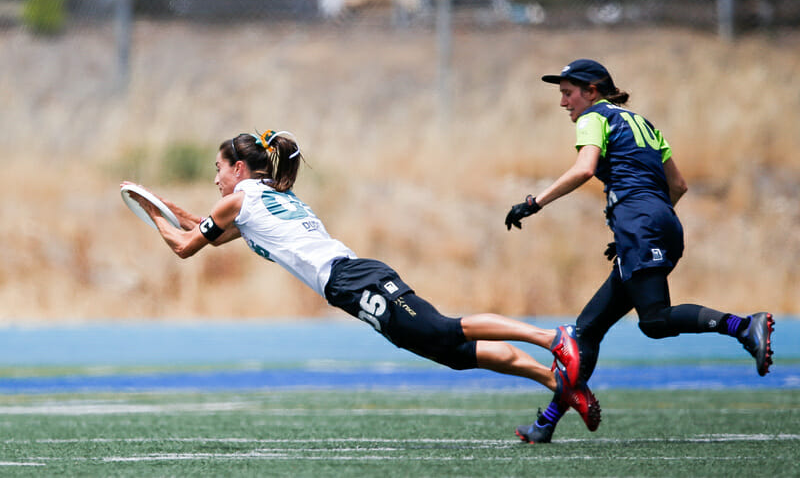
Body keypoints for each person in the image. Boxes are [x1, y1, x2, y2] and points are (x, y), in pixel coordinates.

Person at [122, 129, 600, 444]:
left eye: (220, 169)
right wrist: (161, 202)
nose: (216, 178)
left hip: (352, 279)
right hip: (353, 282)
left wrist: (145, 211)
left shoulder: (240, 200)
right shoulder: (264, 199)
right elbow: (206, 229)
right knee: (453, 351)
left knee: (445, 328)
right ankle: (559, 384)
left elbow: (186, 246)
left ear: (240, 170)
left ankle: (552, 339)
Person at [504, 58, 775, 442]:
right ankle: (545, 424)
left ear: (592, 91)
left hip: (640, 225)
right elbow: (678, 185)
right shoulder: (641, 122)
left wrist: (534, 203)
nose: (563, 103)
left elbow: (584, 169)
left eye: (568, 93)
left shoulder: (594, 117)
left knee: (655, 321)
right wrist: (641, 230)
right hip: (657, 221)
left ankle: (743, 325)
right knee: (587, 330)